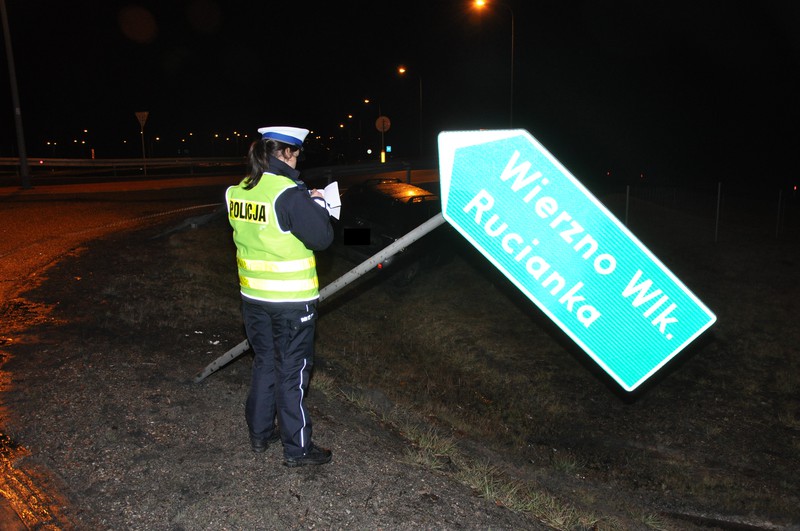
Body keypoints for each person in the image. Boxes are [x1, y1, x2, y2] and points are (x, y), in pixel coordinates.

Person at [225, 125, 334, 467]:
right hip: (290, 301)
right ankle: (298, 449)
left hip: (253, 297)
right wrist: (318, 204)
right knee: (293, 372)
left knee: (264, 365)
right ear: (286, 153)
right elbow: (322, 238)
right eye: (297, 152)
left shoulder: (237, 191)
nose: (298, 158)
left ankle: (259, 435)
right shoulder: (287, 193)